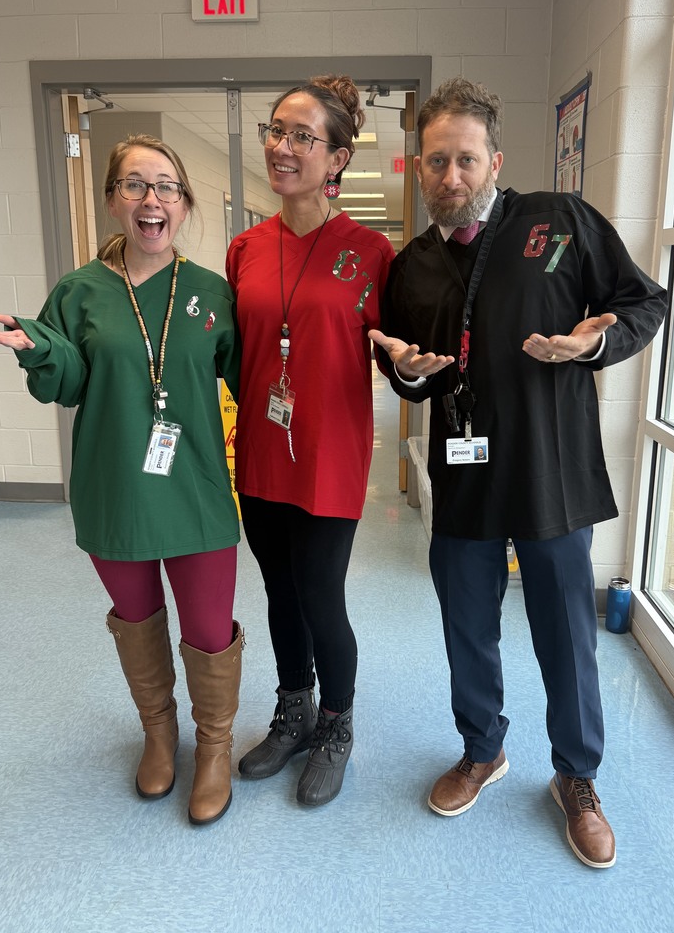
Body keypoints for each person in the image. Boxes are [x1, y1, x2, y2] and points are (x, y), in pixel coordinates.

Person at [370, 78, 667, 868]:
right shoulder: (413, 267)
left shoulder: (559, 223)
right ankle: (482, 749)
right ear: (420, 168)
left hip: (551, 472)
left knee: (566, 636)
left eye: (466, 160)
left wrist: (593, 346)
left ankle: (576, 777)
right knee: (467, 625)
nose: (451, 178)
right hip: (463, 475)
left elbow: (643, 300)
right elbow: (408, 363)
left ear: (495, 160)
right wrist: (401, 371)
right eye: (436, 162)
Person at [0, 134, 243, 828]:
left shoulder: (212, 292)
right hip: (114, 491)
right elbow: (66, 381)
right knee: (137, 622)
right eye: (134, 185)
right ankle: (161, 733)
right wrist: (38, 349)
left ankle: (213, 748)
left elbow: (249, 376)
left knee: (210, 631)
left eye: (165, 186)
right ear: (111, 201)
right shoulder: (79, 291)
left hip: (194, 490)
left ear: (184, 205)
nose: (150, 199)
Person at [226, 75, 395, 806]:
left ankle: (336, 725)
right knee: (278, 592)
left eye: (302, 136)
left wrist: (417, 364)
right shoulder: (244, 250)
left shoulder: (370, 252)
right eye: (276, 130)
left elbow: (397, 348)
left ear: (337, 160)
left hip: (330, 455)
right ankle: (293, 709)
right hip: (262, 452)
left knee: (322, 595)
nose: (282, 146)